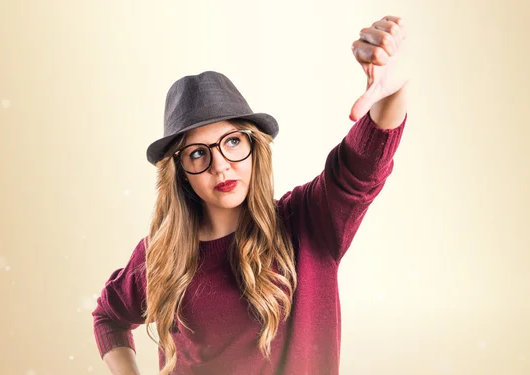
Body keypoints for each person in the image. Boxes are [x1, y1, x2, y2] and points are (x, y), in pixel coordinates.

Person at [92, 14, 409, 375]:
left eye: (232, 142)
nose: (221, 165)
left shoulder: (308, 223)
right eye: (198, 153)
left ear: (254, 147)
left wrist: (391, 94)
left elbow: (361, 167)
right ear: (180, 173)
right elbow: (108, 317)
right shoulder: (160, 255)